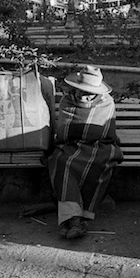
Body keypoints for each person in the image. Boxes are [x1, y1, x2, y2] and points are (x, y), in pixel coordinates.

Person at [46, 65, 123, 239]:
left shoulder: (106, 102)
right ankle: (74, 220)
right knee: (61, 161)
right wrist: (78, 134)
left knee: (98, 164)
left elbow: (105, 133)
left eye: (90, 92)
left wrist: (85, 133)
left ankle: (74, 220)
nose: (85, 96)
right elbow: (64, 131)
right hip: (71, 145)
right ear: (76, 88)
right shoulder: (67, 101)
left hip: (100, 146)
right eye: (82, 91)